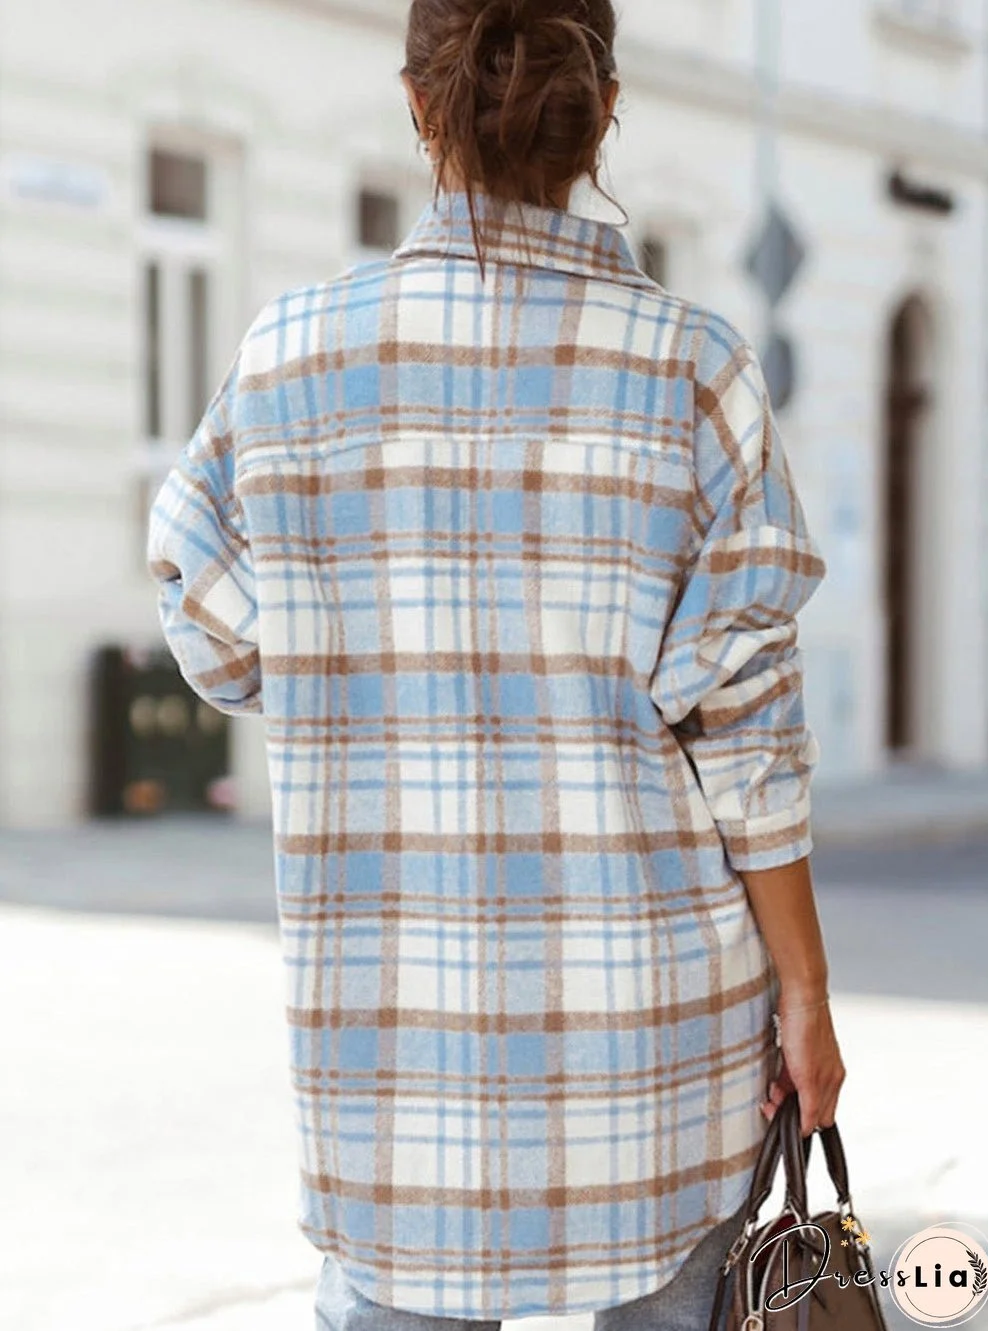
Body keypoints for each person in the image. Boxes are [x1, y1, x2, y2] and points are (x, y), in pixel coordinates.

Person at [146, 1, 846, 1327]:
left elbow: (213, 633)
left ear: (419, 107)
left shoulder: (288, 360)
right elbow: (753, 744)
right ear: (604, 111)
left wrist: (346, 630)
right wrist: (804, 999)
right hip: (654, 1064)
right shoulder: (696, 373)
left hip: (388, 1076)